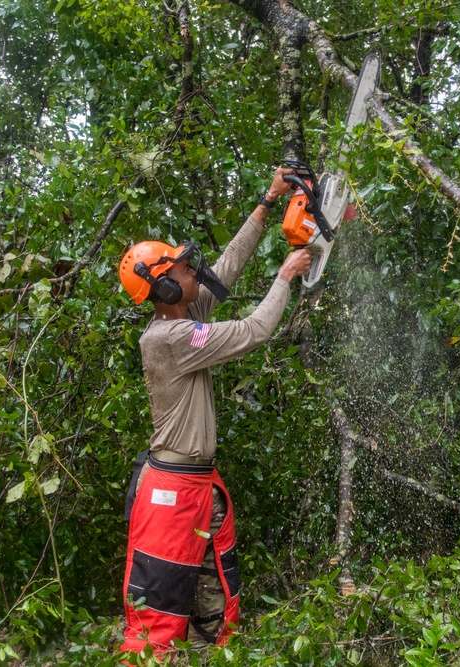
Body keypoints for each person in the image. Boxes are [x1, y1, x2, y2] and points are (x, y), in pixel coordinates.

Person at [116, 167, 311, 656]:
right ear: (161, 290)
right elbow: (253, 331)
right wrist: (286, 277)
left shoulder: (185, 315)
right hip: (171, 492)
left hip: (199, 485)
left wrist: (268, 202)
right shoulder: (169, 338)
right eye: (182, 271)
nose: (191, 272)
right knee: (156, 615)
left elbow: (224, 271)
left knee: (214, 605)